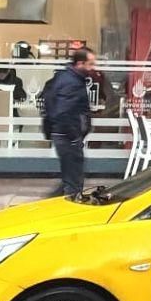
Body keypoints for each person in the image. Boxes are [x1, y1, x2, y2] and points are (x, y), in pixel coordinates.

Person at [38, 47, 99, 197]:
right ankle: (66, 209)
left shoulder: (67, 77)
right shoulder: (71, 82)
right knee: (74, 181)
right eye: (90, 64)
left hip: (63, 134)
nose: (93, 67)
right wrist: (74, 136)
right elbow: (62, 111)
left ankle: (53, 202)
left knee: (70, 175)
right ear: (80, 63)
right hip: (67, 136)